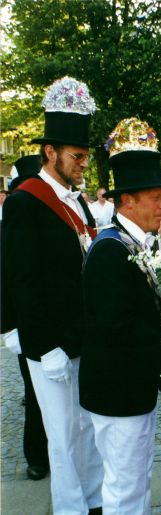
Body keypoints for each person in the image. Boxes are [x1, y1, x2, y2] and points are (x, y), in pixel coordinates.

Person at [1, 76, 104, 515]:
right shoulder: (26, 201)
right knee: (61, 434)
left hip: (81, 334)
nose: (83, 164)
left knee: (87, 428)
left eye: (85, 156)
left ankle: (91, 502)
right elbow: (21, 281)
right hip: (50, 344)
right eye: (76, 156)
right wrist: (43, 348)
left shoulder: (76, 200)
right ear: (50, 152)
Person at [79, 118, 161, 515]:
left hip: (133, 387)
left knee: (138, 479)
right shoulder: (109, 251)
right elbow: (115, 328)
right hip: (117, 392)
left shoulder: (129, 243)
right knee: (121, 486)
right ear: (127, 201)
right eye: (156, 196)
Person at [2, 155, 50, 481]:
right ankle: (36, 455)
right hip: (26, 320)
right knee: (34, 392)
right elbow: (7, 274)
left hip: (53, 315)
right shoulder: (15, 211)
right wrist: (9, 326)